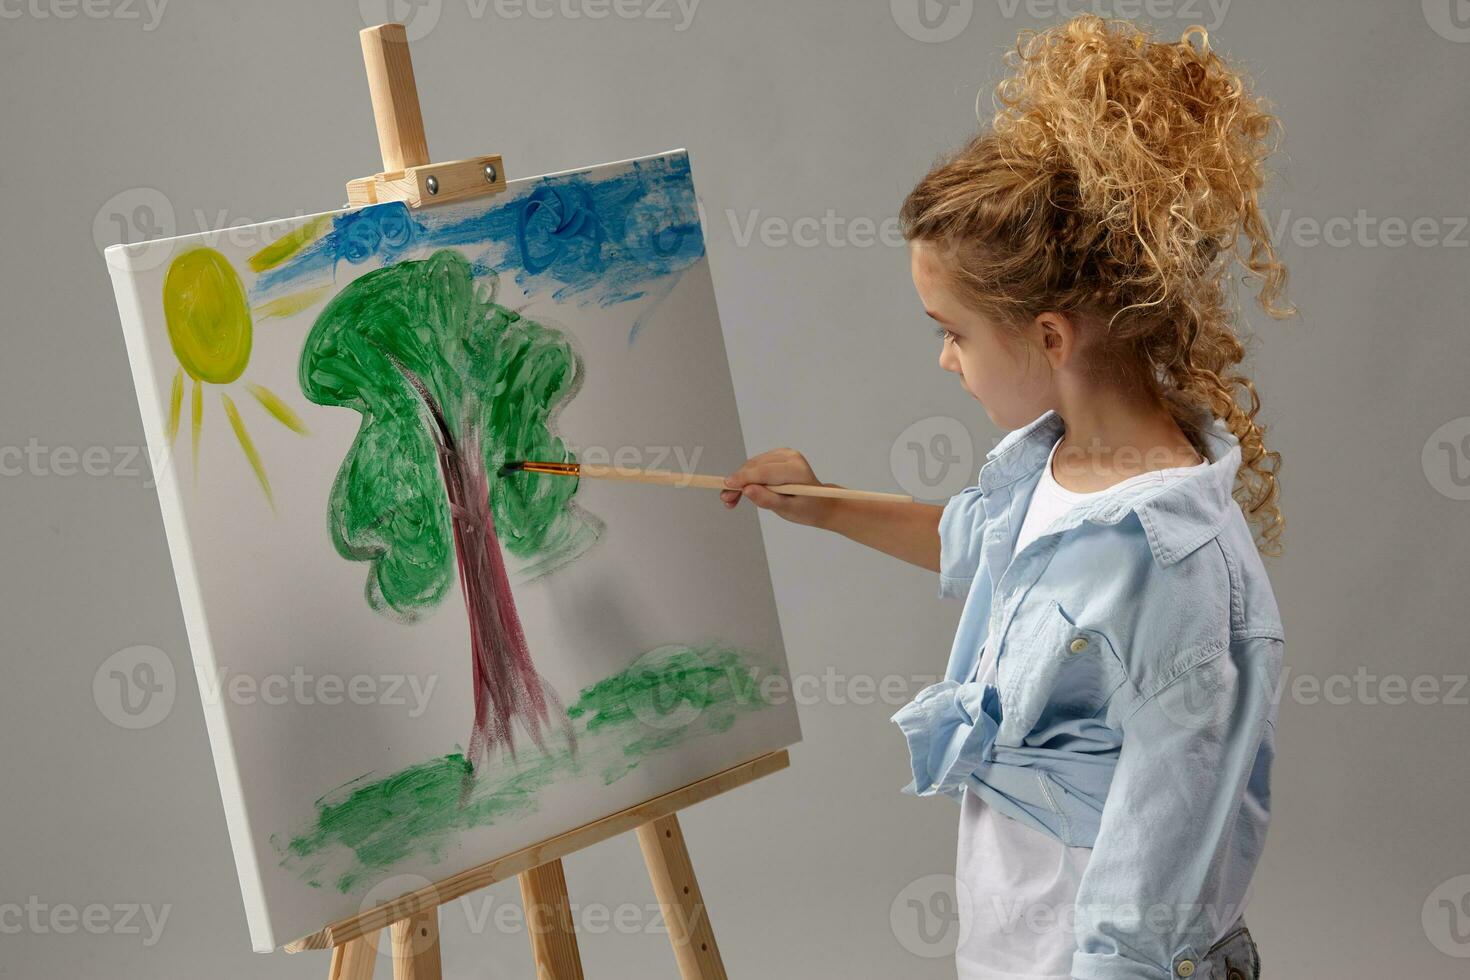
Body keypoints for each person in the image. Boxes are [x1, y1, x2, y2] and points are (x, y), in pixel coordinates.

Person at [722, 15, 1290, 979]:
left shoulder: (1176, 565)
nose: (945, 359)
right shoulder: (1056, 464)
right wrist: (820, 505)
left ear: (1051, 337)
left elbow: (1163, 855)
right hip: (1016, 943)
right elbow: (981, 544)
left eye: (952, 332)